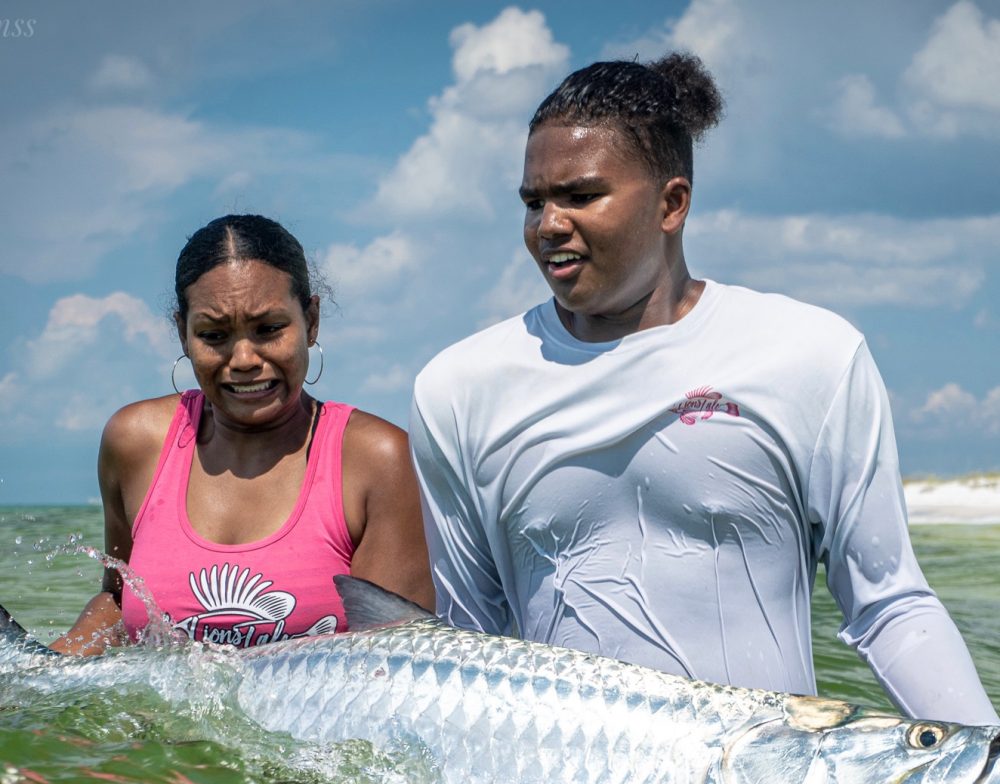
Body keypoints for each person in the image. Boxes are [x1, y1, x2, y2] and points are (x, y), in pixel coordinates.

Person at [410, 54, 998, 725]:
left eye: (580, 196)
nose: (547, 224)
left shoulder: (809, 356)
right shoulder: (459, 390)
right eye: (534, 201)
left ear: (672, 202)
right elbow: (466, 647)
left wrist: (985, 762)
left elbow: (889, 605)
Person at [55, 214, 433, 654]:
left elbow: (394, 663)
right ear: (183, 334)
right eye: (214, 335)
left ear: (311, 320)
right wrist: (56, 668)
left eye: (269, 329)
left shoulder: (377, 462)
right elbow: (120, 600)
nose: (244, 358)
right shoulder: (136, 442)